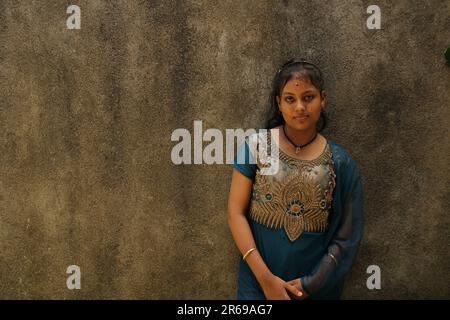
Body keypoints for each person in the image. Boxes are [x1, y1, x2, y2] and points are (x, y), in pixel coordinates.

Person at [227, 59, 364, 300]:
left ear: (323, 99)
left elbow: (347, 239)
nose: (299, 107)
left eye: (308, 97)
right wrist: (266, 280)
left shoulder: (340, 163)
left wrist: (309, 285)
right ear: (278, 103)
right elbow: (235, 213)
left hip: (316, 289)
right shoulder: (258, 146)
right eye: (290, 98)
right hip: (257, 284)